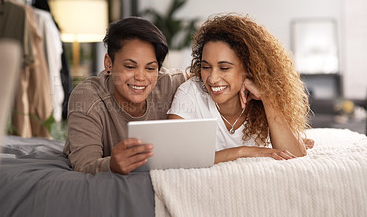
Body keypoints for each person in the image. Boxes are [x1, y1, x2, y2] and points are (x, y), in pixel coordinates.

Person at [168, 14, 311, 163]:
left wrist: (267, 98)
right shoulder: (190, 93)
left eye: (224, 68)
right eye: (206, 67)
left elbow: (296, 156)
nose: (212, 78)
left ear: (249, 67)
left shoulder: (263, 98)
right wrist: (243, 151)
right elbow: (173, 157)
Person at [63, 17, 186, 174]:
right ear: (109, 64)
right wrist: (111, 165)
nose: (141, 77)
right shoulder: (87, 97)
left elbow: (208, 72)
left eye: (150, 68)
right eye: (130, 66)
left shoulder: (169, 83)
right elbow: (84, 165)